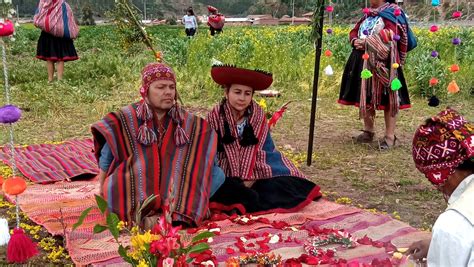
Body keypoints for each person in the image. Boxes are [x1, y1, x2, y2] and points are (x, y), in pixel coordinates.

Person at [91, 62, 224, 228]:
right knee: (114, 189)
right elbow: (107, 156)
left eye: (171, 87)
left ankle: (176, 213)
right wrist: (102, 188)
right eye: (160, 87)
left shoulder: (188, 122)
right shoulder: (126, 118)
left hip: (173, 186)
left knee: (218, 174)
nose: (168, 92)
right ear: (146, 90)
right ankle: (146, 216)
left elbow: (207, 155)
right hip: (137, 180)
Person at [207, 64, 322, 214]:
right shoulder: (214, 117)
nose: (242, 98)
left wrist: (251, 177)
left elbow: (264, 150)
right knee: (228, 190)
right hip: (226, 169)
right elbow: (210, 153)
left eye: (247, 93)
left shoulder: (257, 115)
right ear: (226, 92)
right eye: (237, 92)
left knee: (281, 186)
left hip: (256, 168)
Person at [338, 0, 416, 150]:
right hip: (363, 61)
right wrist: (355, 40)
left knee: (389, 98)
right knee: (366, 94)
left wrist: (367, 42)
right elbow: (354, 31)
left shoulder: (393, 12)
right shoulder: (369, 14)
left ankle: (390, 137)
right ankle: (368, 131)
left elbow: (392, 34)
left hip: (385, 63)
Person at [407, 108, 473, 266]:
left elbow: (460, 235)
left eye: (431, 178)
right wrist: (438, 246)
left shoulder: (453, 224)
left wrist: (445, 245)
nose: (436, 187)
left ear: (446, 173)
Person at [35, 0, 79, 82]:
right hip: (59, 35)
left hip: (49, 34)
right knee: (59, 58)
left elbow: (39, 17)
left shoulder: (44, 3)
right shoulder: (63, 4)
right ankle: (58, 80)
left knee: (50, 58)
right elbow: (68, 18)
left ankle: (51, 79)